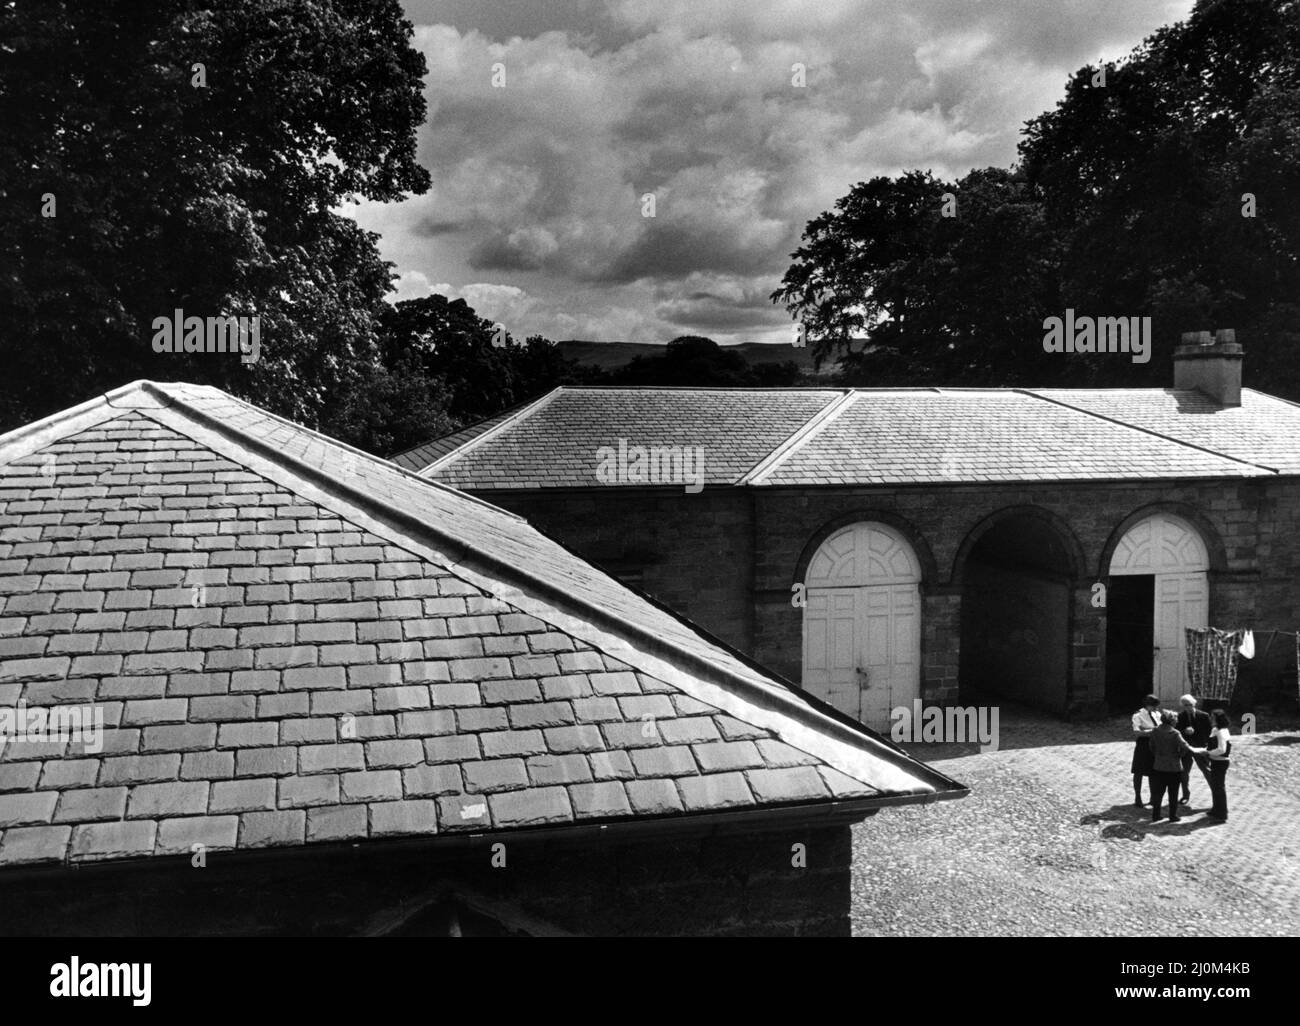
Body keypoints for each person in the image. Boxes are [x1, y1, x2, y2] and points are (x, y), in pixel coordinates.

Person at [1148, 710, 1205, 823]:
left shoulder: (1155, 731)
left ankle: (1156, 815)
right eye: (1176, 720)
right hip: (1174, 767)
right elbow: (1185, 746)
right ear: (1172, 721)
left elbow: (1151, 746)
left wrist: (1158, 755)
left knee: (1158, 792)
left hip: (1159, 765)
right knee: (1173, 793)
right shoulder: (1175, 733)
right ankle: (1172, 816)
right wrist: (1179, 755)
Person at [1176, 694, 1212, 806]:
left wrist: (1206, 746)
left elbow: (1210, 732)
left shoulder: (1204, 715)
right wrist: (1184, 731)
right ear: (1183, 706)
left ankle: (1215, 793)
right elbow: (1176, 732)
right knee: (1184, 773)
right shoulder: (1180, 716)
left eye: (1190, 705)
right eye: (1186, 705)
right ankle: (1185, 794)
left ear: (1194, 704)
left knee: (1207, 771)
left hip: (1200, 748)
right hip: (1186, 749)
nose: (1188, 707)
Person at [1130, 694, 1161, 807]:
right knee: (1138, 771)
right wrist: (1152, 731)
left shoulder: (1157, 714)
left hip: (1155, 744)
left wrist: (1149, 730)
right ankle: (1138, 796)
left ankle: (1153, 797)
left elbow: (1161, 727)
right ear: (1148, 705)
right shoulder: (1138, 715)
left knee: (1154, 771)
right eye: (1154, 706)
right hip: (1143, 744)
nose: (1156, 709)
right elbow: (1137, 732)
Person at [1204, 709, 1232, 822]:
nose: (1211, 719)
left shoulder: (1221, 732)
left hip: (1221, 762)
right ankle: (1216, 809)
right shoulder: (1215, 730)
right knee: (1215, 786)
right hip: (1215, 761)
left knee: (1219, 787)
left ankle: (1222, 813)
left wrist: (1208, 753)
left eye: (1213, 717)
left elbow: (1222, 749)